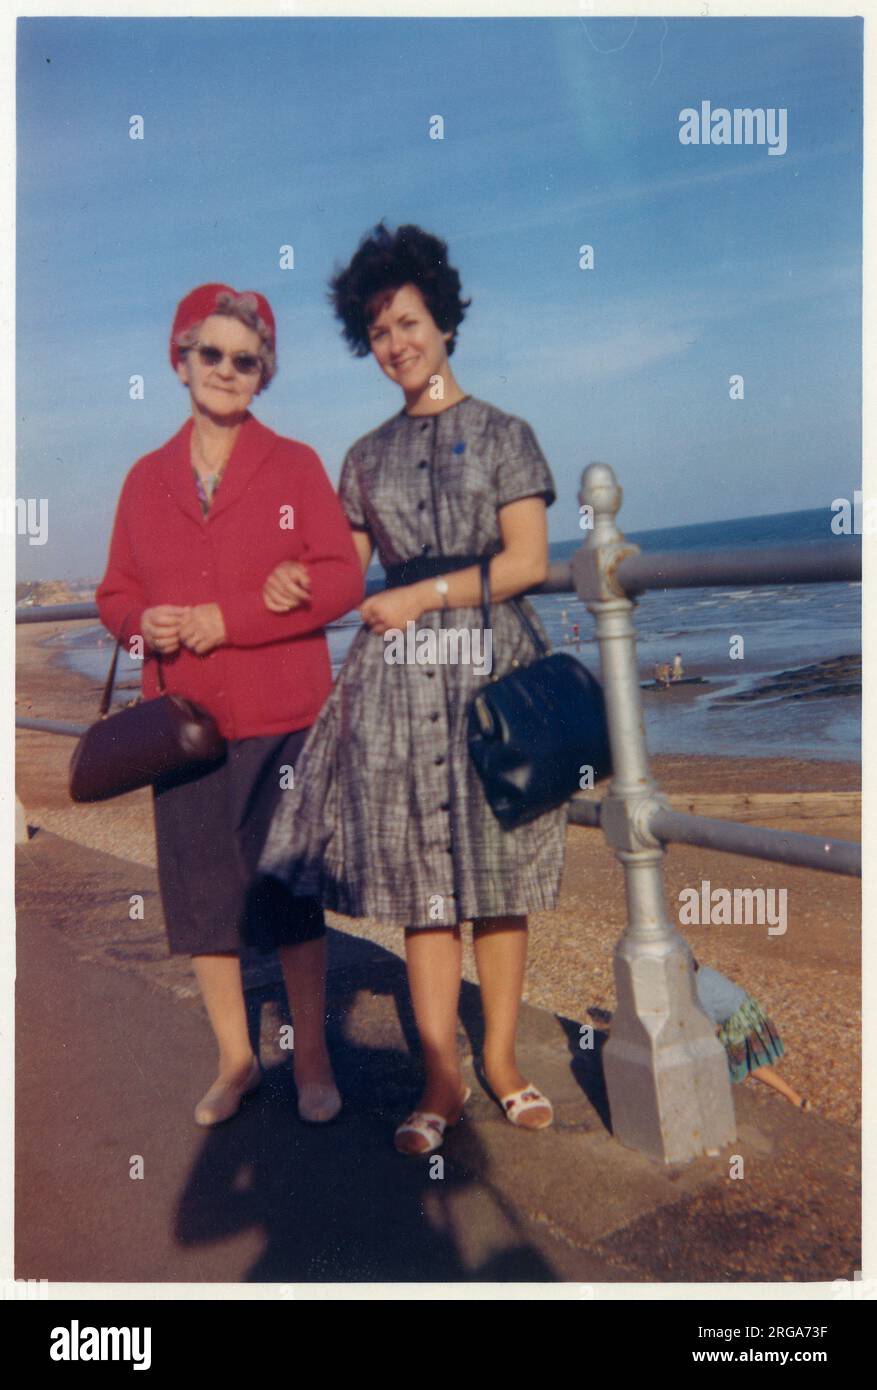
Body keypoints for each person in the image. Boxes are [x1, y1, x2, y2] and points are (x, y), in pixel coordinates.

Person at [259, 224, 568, 1155]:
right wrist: (286, 582)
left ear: (442, 323)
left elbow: (525, 561)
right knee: (424, 889)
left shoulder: (507, 435)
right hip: (395, 690)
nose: (395, 343)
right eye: (379, 330)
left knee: (500, 874)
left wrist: (426, 592)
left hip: (493, 672)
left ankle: (504, 1063)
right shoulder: (360, 459)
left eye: (408, 322)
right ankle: (442, 1076)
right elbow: (340, 573)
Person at [96, 283, 363, 1127]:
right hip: (183, 729)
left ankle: (313, 1057)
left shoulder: (293, 467)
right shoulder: (144, 480)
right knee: (204, 900)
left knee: (288, 894)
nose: (225, 370)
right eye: (209, 354)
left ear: (262, 376)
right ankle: (236, 1059)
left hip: (282, 715)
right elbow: (113, 596)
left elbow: (341, 578)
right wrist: (147, 625)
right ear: (181, 362)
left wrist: (234, 616)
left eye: (244, 361)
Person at [693, 960, 810, 1109]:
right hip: (747, 1007)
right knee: (749, 1065)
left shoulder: (698, 988)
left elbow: (706, 1024)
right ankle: (797, 1099)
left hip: (738, 1020)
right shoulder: (704, 972)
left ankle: (711, 1102)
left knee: (732, 1062)